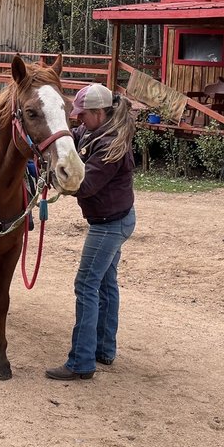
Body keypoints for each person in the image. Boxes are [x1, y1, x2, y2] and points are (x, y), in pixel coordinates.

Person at [46, 83, 136, 381]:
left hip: (109, 223)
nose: (78, 120)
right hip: (114, 219)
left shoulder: (111, 145)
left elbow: (83, 185)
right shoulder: (92, 132)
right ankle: (103, 349)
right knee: (106, 284)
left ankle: (81, 362)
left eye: (83, 115)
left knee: (86, 284)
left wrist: (52, 177)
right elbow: (70, 140)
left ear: (99, 113)